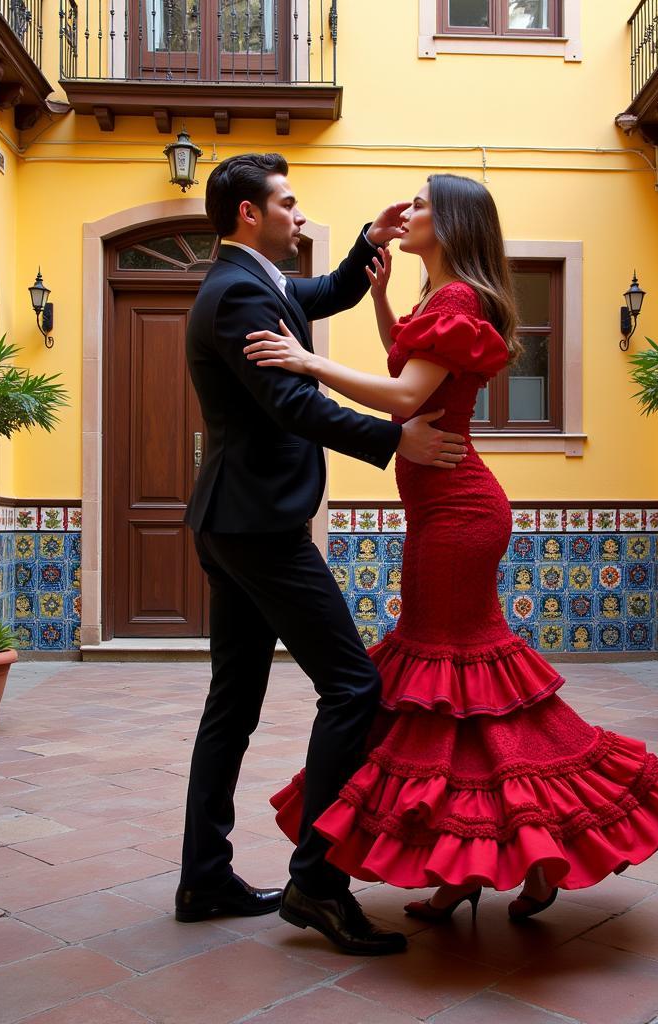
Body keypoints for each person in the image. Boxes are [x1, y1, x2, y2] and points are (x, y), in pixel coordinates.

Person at [245, 173, 658, 921]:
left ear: (450, 223)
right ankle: (467, 866)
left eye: (420, 204)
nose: (409, 212)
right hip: (444, 514)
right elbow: (408, 367)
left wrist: (306, 361)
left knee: (460, 688)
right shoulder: (438, 301)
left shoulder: (457, 302)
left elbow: (399, 399)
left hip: (458, 513)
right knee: (450, 701)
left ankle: (528, 849)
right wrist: (385, 297)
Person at [177, 153, 469, 957]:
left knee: (232, 700)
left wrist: (366, 252)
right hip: (259, 527)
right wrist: (392, 437)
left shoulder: (258, 281)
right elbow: (293, 401)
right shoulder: (239, 293)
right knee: (353, 686)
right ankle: (318, 881)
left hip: (232, 519)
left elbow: (320, 295)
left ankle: (204, 874)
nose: (298, 215)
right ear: (249, 214)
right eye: (289, 203)